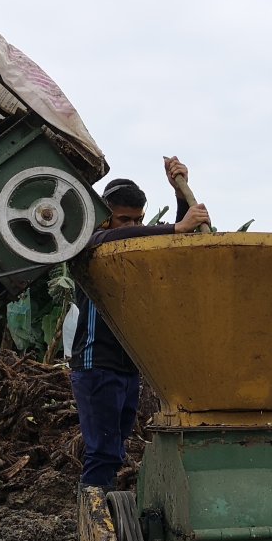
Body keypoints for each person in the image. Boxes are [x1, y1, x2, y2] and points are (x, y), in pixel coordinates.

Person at [69, 156, 210, 490]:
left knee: (115, 451)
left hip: (128, 366)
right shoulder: (89, 243)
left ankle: (103, 510)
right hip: (95, 363)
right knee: (102, 451)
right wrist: (177, 226)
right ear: (104, 217)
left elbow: (169, 246)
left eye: (137, 219)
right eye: (123, 219)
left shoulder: (133, 254)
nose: (130, 225)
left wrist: (179, 197)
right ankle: (94, 520)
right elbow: (127, 238)